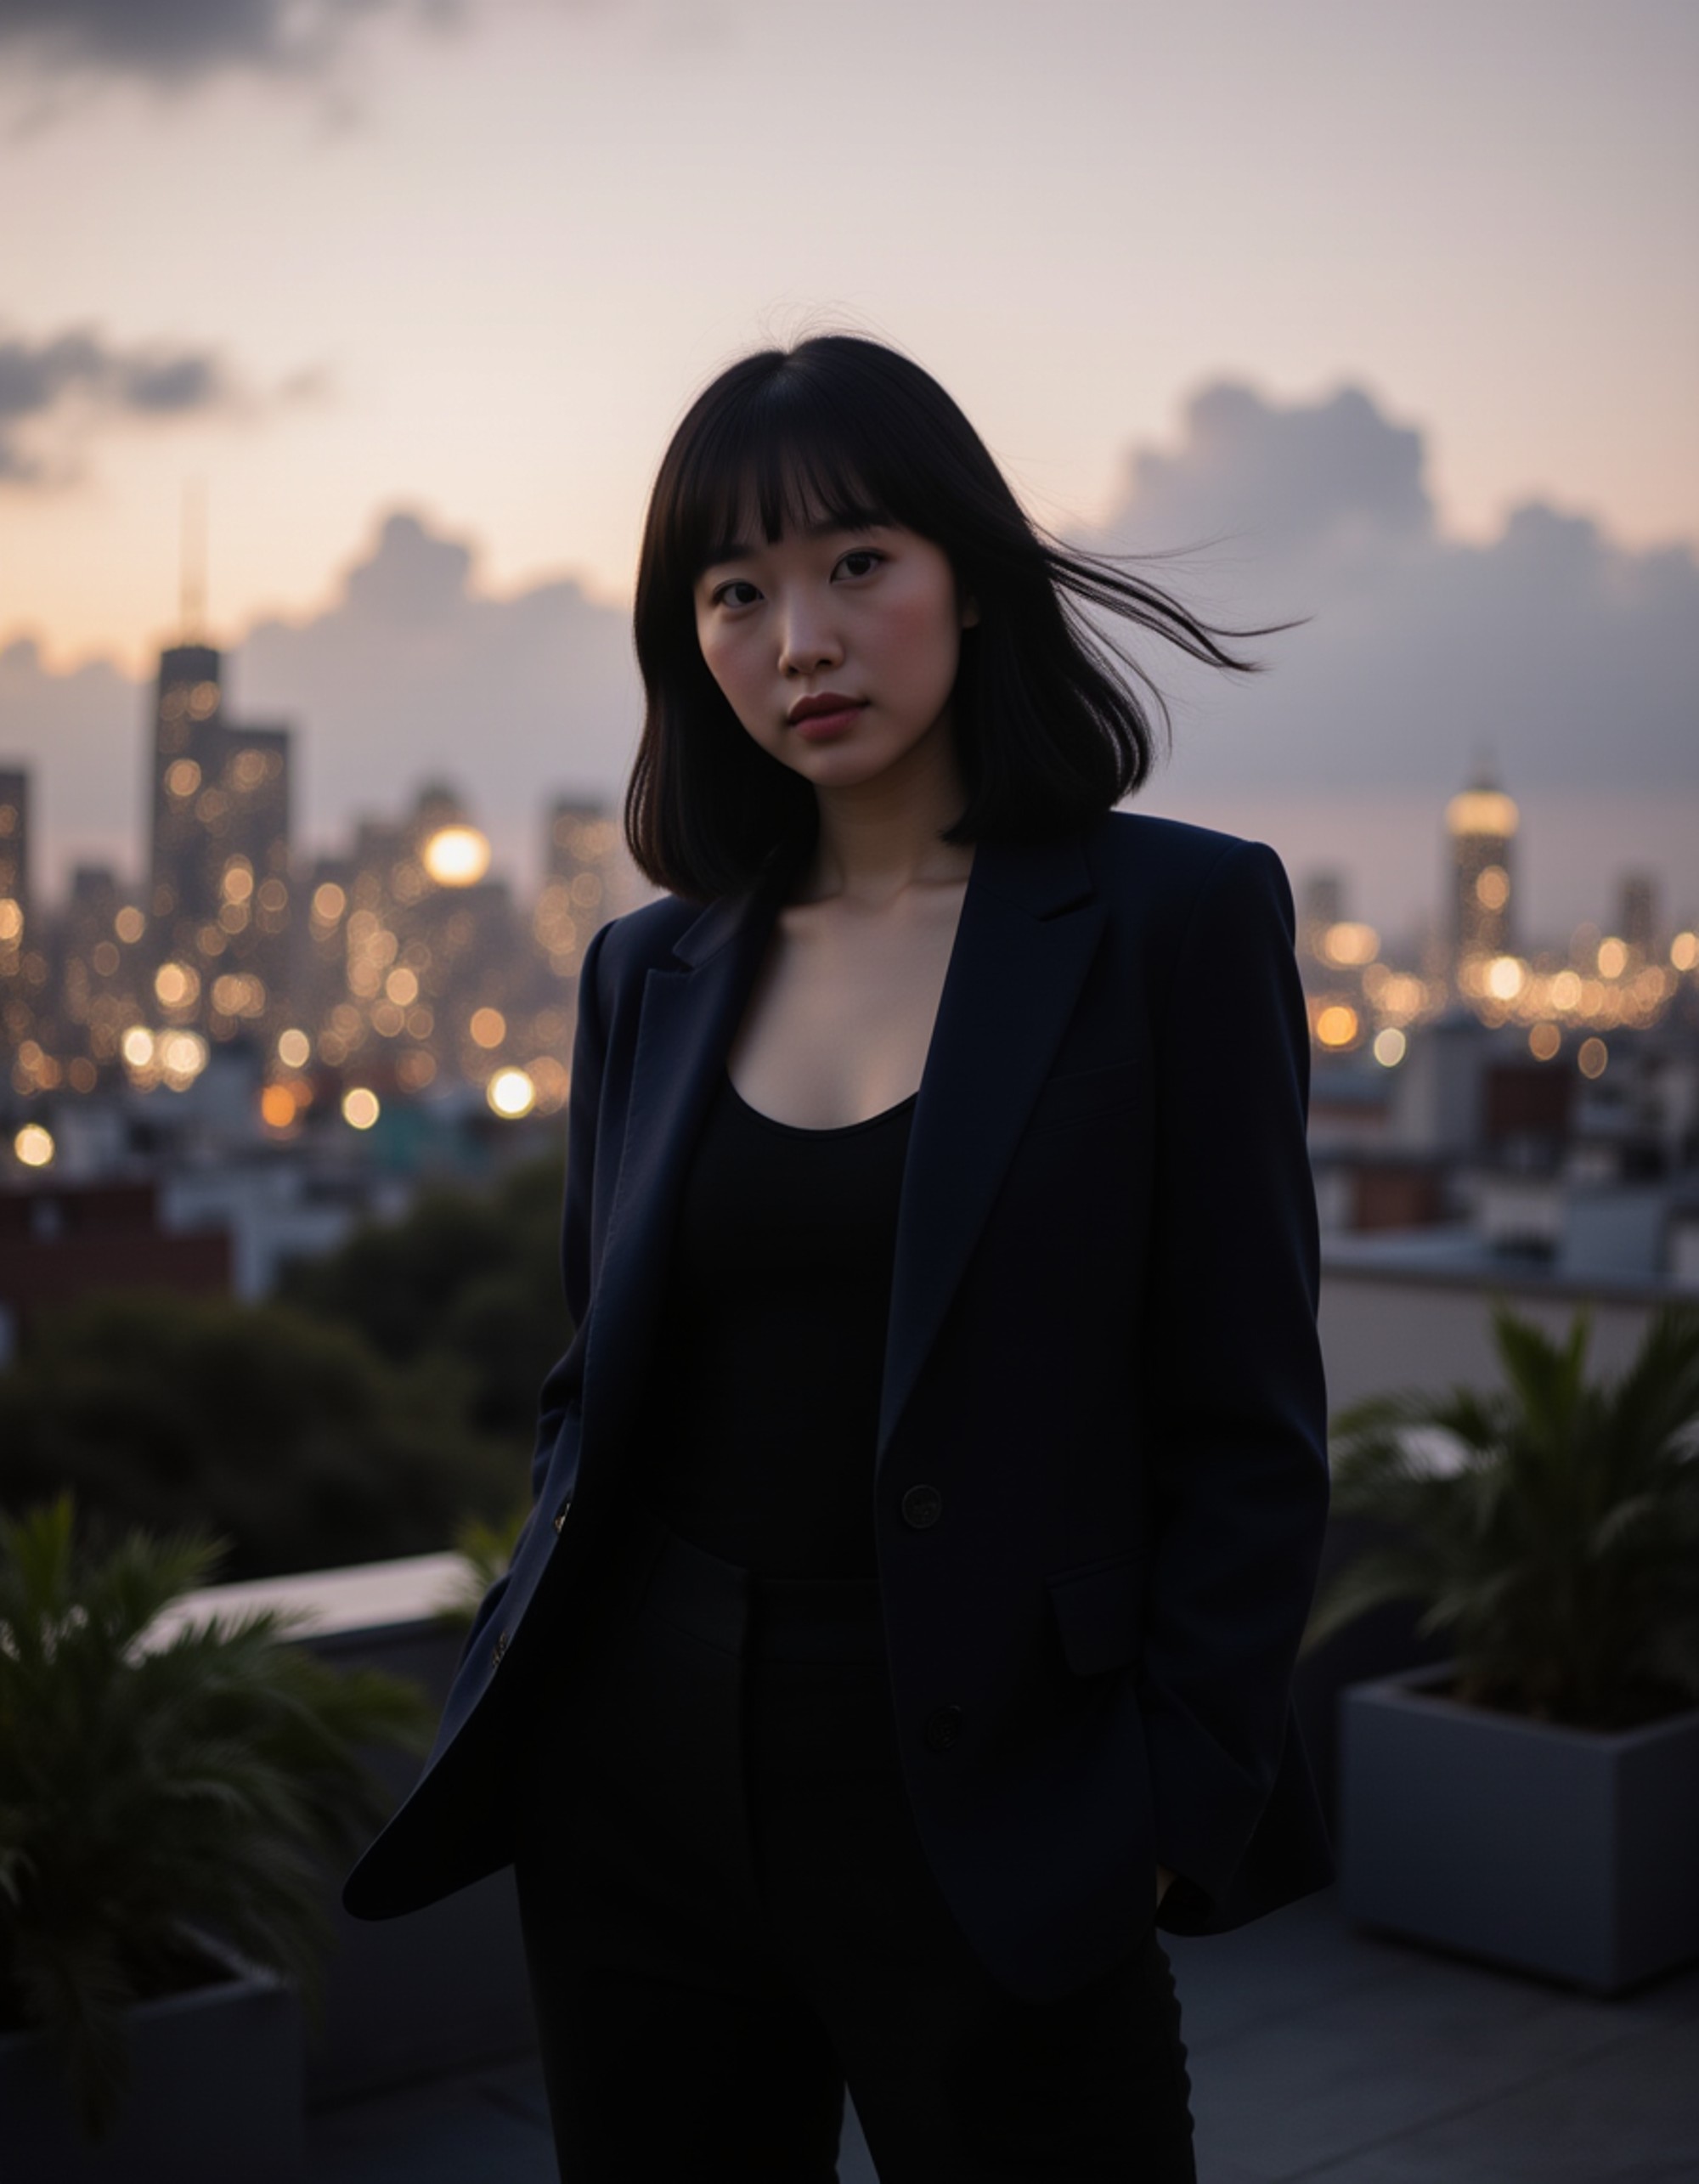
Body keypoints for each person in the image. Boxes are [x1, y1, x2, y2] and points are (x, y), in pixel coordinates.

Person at [345, 333, 1335, 2181]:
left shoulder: (1173, 921)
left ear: (969, 571)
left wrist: (1157, 1815)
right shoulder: (650, 969)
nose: (797, 634)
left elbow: (1248, 1416)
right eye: (735, 590)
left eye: (854, 563)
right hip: (635, 1780)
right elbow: (597, 1376)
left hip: (1002, 1782)